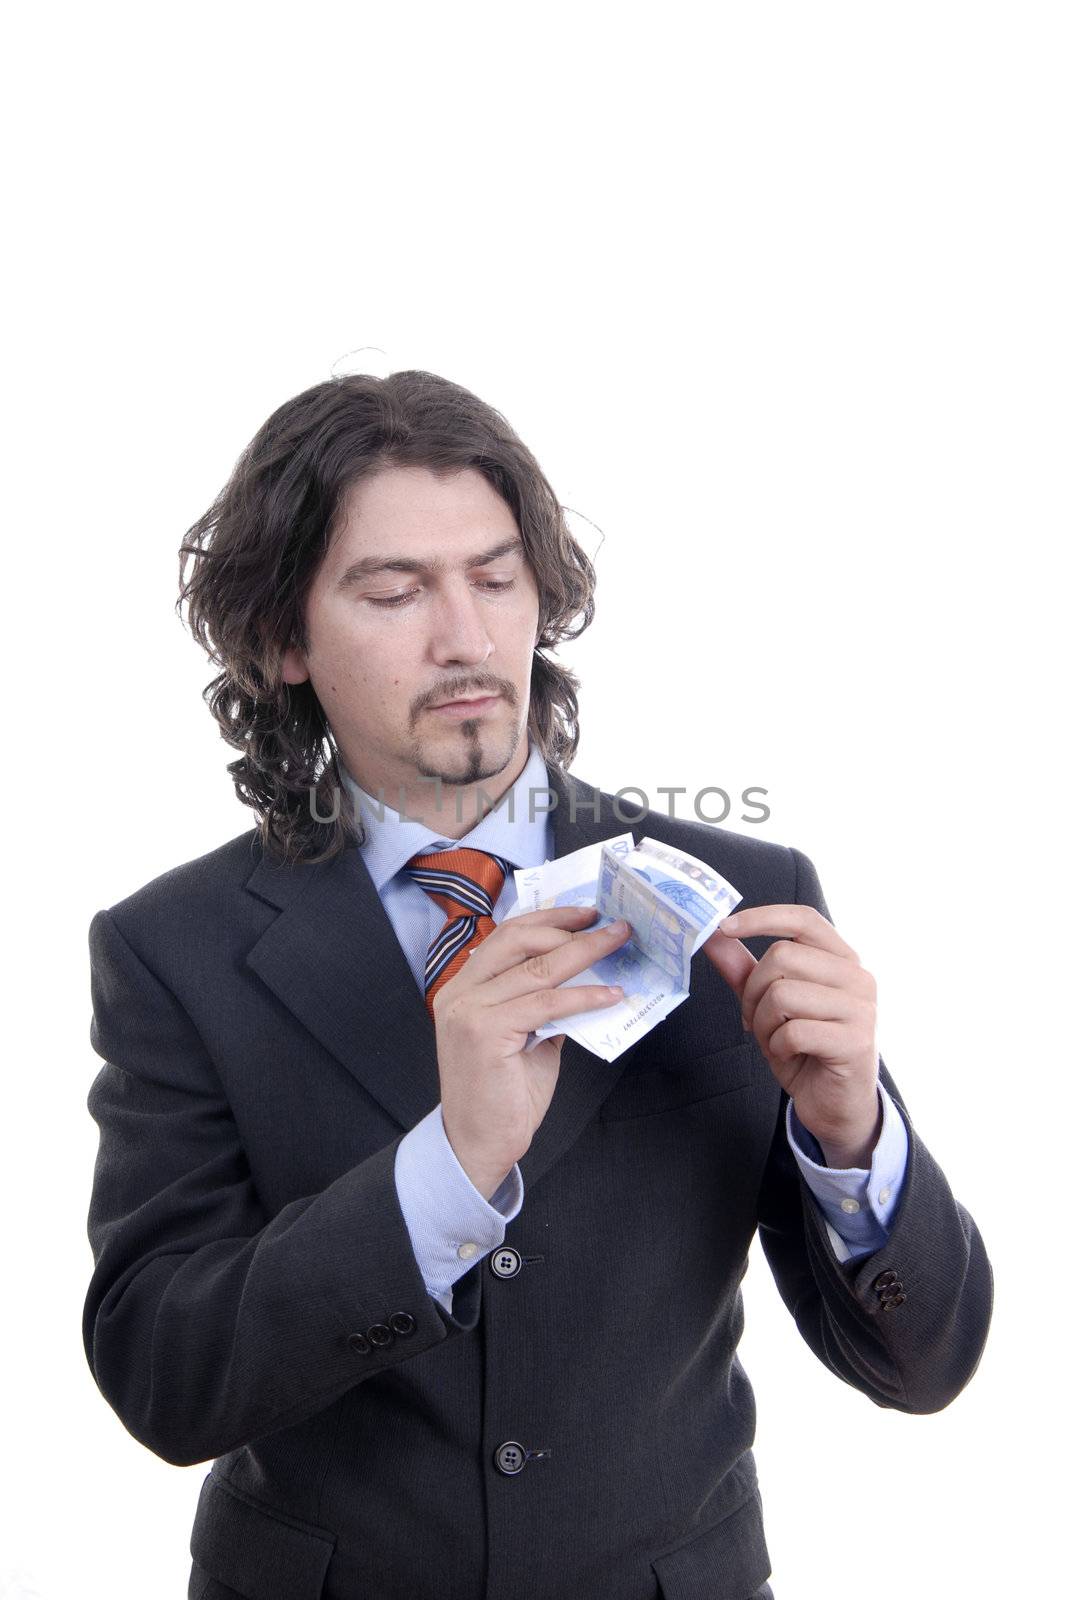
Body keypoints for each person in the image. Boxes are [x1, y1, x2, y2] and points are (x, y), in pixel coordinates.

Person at [82, 370, 993, 1600]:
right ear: (285, 641)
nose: (464, 637)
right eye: (395, 590)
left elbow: (923, 1364)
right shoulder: (170, 946)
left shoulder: (741, 889)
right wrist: (445, 1170)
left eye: (497, 578)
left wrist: (854, 1141)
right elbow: (162, 1375)